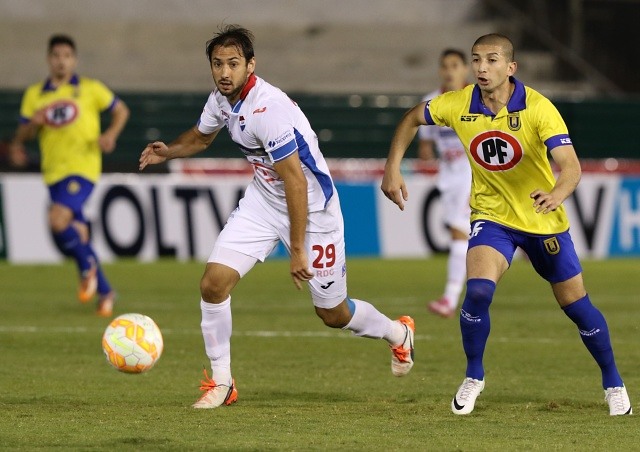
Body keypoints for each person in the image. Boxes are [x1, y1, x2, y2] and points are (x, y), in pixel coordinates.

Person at [139, 25, 415, 409]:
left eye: (233, 63)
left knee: (332, 313)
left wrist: (298, 250)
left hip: (313, 211)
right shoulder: (222, 100)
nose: (224, 72)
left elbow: (296, 182)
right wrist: (167, 151)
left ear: (250, 65)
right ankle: (222, 382)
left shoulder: (267, 110)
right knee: (213, 285)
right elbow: (202, 138)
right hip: (263, 203)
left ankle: (398, 333)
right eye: (217, 64)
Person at [382, 34, 631, 416]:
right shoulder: (458, 104)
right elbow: (412, 117)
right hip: (492, 216)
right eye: (476, 59)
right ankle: (473, 376)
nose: (482, 67)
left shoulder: (538, 107)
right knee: (478, 292)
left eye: (492, 60)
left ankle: (613, 382)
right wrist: (393, 167)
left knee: (577, 307)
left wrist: (557, 195)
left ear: (510, 67)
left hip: (541, 219)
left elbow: (571, 166)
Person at [10, 34, 130, 317]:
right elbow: (22, 135)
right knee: (78, 233)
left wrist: (110, 135)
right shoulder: (35, 95)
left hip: (83, 168)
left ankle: (87, 266)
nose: (61, 61)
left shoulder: (89, 88)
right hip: (53, 172)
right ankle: (105, 291)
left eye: (66, 56)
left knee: (57, 219)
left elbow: (121, 110)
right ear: (49, 59)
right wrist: (32, 126)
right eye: (56, 55)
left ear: (73, 60)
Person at [418, 49, 472, 318]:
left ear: (465, 70)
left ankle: (449, 299)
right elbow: (426, 144)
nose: (449, 70)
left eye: (455, 65)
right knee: (467, 232)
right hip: (449, 175)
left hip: (473, 173)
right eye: (445, 66)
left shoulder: (476, 98)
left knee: (459, 232)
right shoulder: (431, 101)